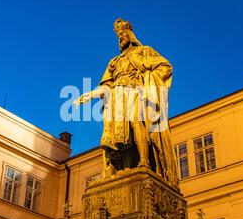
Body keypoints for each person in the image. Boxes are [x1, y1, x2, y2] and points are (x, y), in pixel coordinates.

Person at [74, 19, 178, 187]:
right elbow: (107, 84)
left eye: (123, 34)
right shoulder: (114, 61)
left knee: (137, 122)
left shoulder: (145, 51)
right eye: (118, 35)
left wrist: (148, 81)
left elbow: (165, 67)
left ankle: (145, 161)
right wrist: (90, 94)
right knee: (119, 134)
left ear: (130, 34)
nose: (121, 37)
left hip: (137, 91)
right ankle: (126, 167)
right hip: (117, 96)